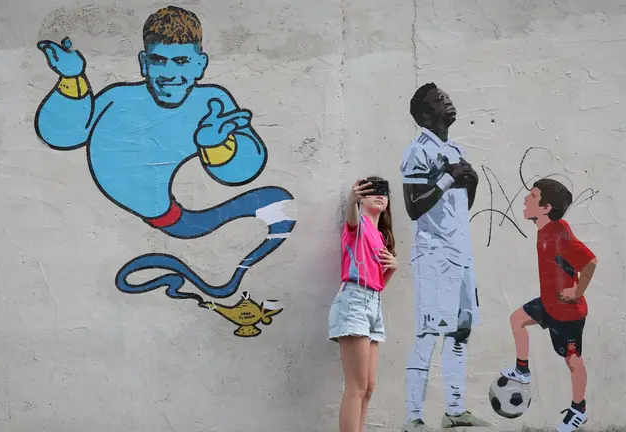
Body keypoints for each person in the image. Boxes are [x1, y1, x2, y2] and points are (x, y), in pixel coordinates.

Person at [33, 6, 295, 303]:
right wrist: (72, 79)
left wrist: (214, 145)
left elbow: (244, 168)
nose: (170, 74)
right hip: (163, 218)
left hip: (179, 214)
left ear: (200, 65)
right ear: (144, 63)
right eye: (159, 61)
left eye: (182, 61)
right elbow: (65, 134)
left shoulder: (212, 104)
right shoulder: (118, 97)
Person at [399, 83, 490, 430]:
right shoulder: (417, 150)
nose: (448, 101)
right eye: (440, 100)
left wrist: (471, 182)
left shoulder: (455, 148)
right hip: (434, 256)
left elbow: (460, 206)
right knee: (428, 334)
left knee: (461, 332)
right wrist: (446, 180)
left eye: (448, 97)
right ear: (425, 114)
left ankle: (454, 410)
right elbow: (412, 207)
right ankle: (413, 418)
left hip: (461, 254)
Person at [499, 178, 598, 432]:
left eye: (532, 196)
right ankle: (522, 370)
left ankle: (579, 410)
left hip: (568, 313)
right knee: (517, 319)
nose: (525, 199)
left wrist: (577, 290)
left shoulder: (560, 232)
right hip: (548, 304)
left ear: (546, 208)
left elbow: (590, 261)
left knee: (572, 360)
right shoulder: (543, 229)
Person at [329, 176, 399, 432]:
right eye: (372, 192)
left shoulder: (381, 237)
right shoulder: (358, 227)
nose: (379, 195)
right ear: (361, 198)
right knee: (356, 386)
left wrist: (392, 268)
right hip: (354, 302)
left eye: (383, 192)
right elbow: (351, 217)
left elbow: (377, 282)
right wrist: (352, 198)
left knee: (368, 387)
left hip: (373, 303)